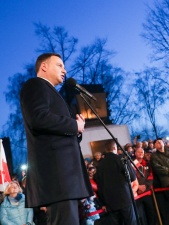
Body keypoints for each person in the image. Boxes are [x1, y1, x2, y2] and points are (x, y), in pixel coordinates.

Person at [20, 53, 93, 225]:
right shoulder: (35, 85)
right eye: (59, 65)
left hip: (65, 178)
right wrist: (73, 126)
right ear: (44, 67)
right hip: (58, 178)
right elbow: (38, 118)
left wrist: (77, 129)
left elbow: (56, 131)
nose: (64, 70)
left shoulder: (52, 93)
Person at [95, 140, 138, 225]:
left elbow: (99, 186)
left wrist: (103, 203)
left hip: (110, 202)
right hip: (124, 199)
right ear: (115, 148)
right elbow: (132, 177)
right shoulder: (121, 159)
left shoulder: (100, 165)